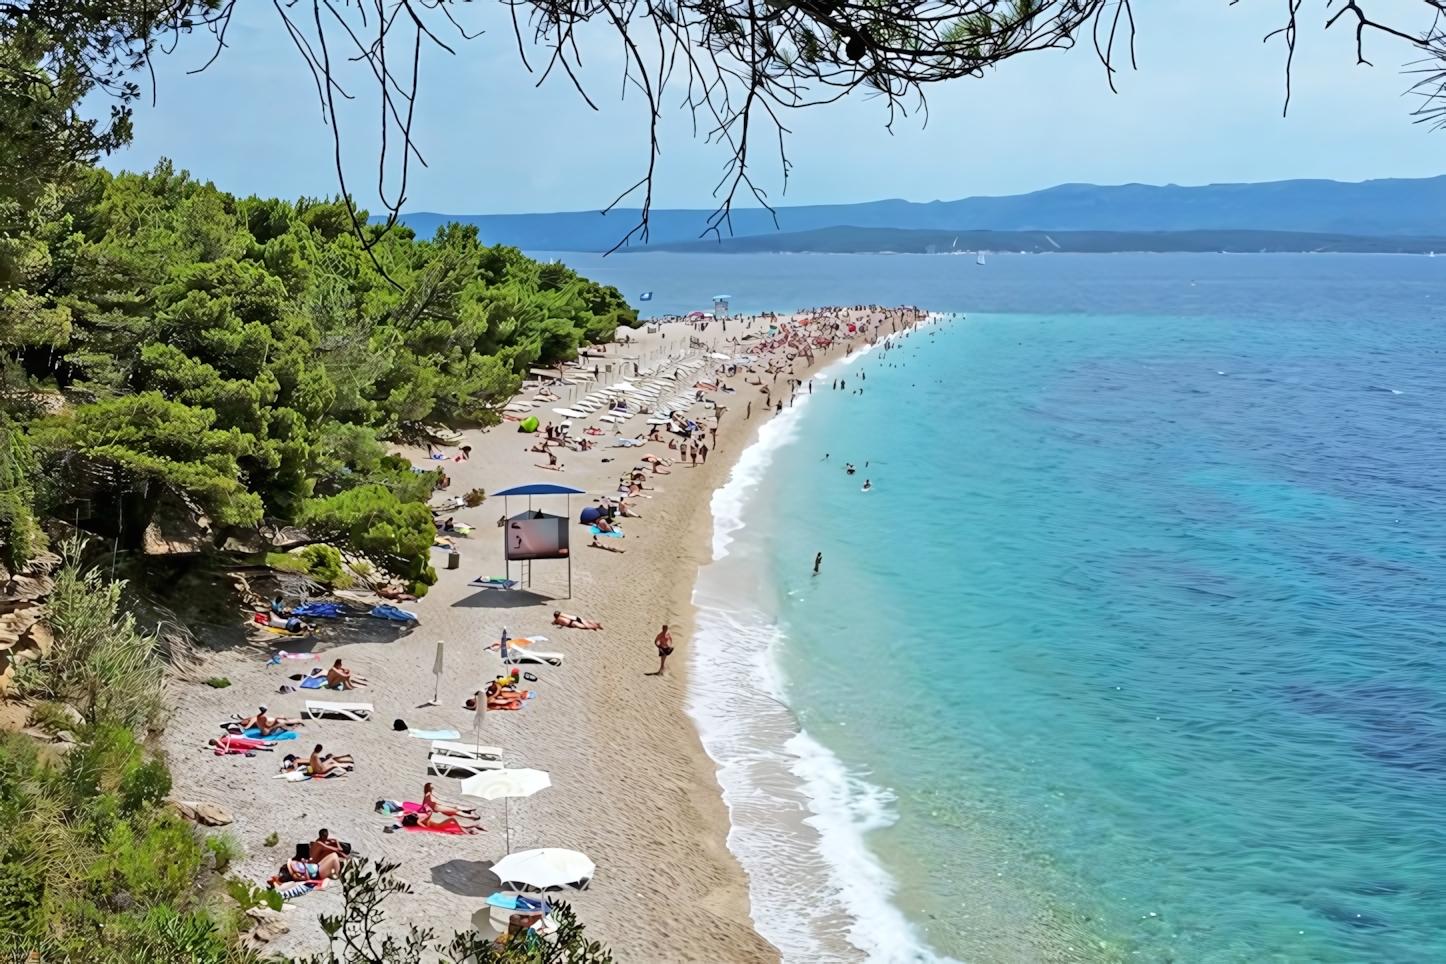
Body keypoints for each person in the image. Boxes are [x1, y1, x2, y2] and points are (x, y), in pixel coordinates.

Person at [400, 811, 486, 834]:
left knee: (458, 825)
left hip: (441, 823)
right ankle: (474, 824)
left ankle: (472, 829)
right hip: (441, 818)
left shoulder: (419, 821)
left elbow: (426, 827)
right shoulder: (421, 816)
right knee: (456, 820)